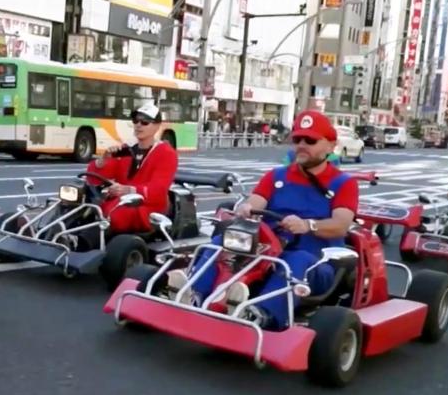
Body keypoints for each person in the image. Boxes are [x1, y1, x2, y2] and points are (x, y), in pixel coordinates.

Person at [168, 110, 360, 330]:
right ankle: (194, 295)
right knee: (218, 244)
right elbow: (255, 202)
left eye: (310, 140)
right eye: (297, 139)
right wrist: (246, 208)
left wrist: (307, 225)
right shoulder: (276, 176)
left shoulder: (343, 184)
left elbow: (341, 225)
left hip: (317, 259)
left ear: (330, 145)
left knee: (294, 262)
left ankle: (262, 315)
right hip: (268, 248)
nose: (302, 145)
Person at [86, 104, 179, 234]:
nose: (139, 125)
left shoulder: (166, 153)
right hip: (121, 202)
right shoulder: (127, 150)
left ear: (157, 126)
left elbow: (158, 190)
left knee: (113, 216)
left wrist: (128, 190)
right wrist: (104, 160)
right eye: (136, 121)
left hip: (148, 208)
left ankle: (86, 244)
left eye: (145, 122)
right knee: (81, 207)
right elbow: (93, 177)